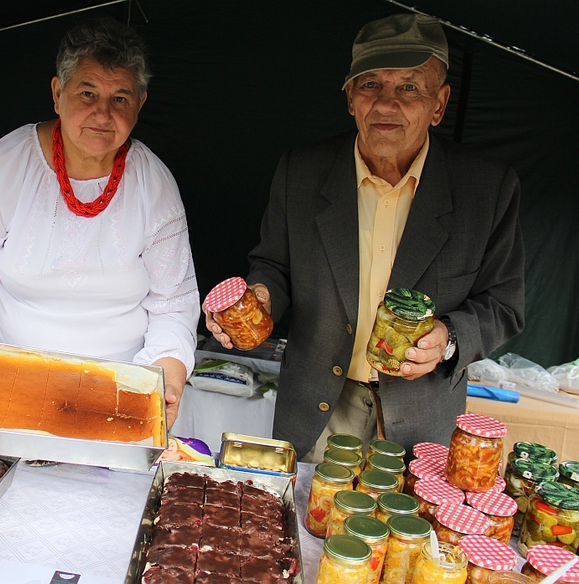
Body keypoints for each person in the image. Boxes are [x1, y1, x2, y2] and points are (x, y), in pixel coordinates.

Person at [205, 13, 525, 462]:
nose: (386, 104)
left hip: (421, 421)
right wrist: (260, 296)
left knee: (402, 535)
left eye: (410, 87)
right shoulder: (302, 173)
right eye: (370, 84)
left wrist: (448, 337)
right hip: (317, 411)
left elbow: (504, 304)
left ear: (440, 103)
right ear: (350, 97)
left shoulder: (486, 189)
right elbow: (274, 267)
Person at [0, 17, 200, 428]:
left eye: (120, 98)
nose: (102, 114)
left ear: (140, 103)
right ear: (57, 93)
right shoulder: (7, 163)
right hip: (5, 385)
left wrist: (167, 374)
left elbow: (173, 304)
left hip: (115, 396)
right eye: (87, 93)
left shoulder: (153, 184)